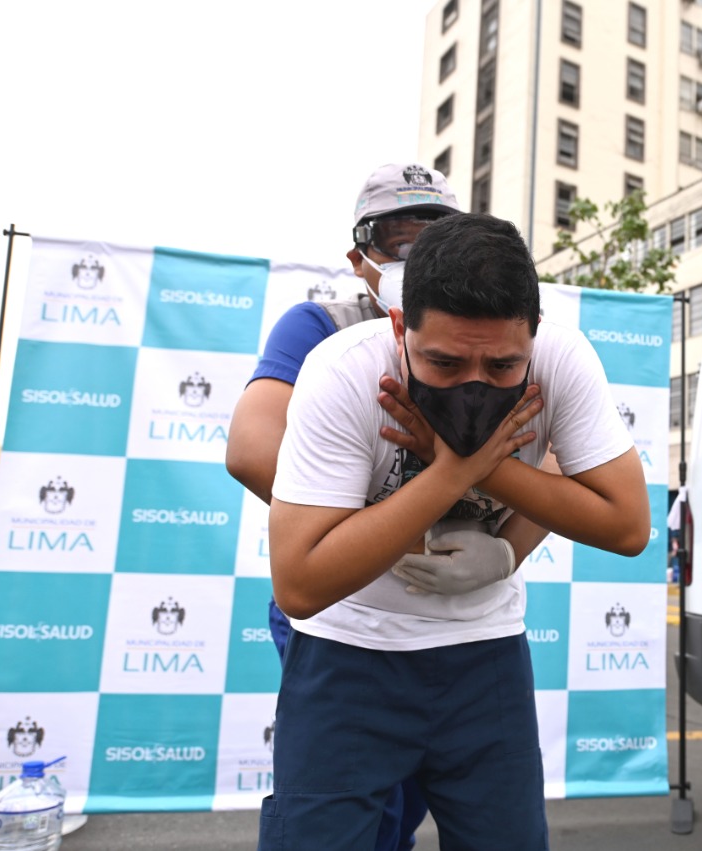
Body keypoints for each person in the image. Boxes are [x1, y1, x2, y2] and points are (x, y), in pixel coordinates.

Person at [259, 212, 649, 851]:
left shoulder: (561, 358)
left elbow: (628, 524)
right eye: (443, 362)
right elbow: (301, 584)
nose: (475, 386)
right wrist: (449, 477)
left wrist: (480, 474)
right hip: (349, 653)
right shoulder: (343, 371)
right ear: (397, 327)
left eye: (502, 367)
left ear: (535, 337)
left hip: (483, 652)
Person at [227, 163, 478, 851]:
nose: (417, 255)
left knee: (407, 804)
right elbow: (252, 447)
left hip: (445, 619)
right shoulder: (320, 326)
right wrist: (386, 534)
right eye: (399, 238)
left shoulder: (482, 332)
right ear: (360, 257)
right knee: (335, 812)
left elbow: (543, 458)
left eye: (438, 236)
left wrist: (507, 547)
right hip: (340, 613)